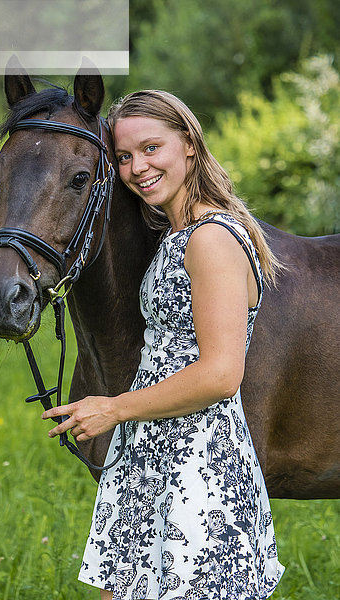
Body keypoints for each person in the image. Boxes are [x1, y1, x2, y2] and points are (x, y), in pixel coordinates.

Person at [42, 90, 285, 600]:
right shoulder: (177, 234)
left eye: (152, 148)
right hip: (152, 449)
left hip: (198, 464)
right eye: (125, 157)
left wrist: (113, 408)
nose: (137, 168)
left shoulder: (211, 239)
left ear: (190, 145)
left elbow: (221, 374)